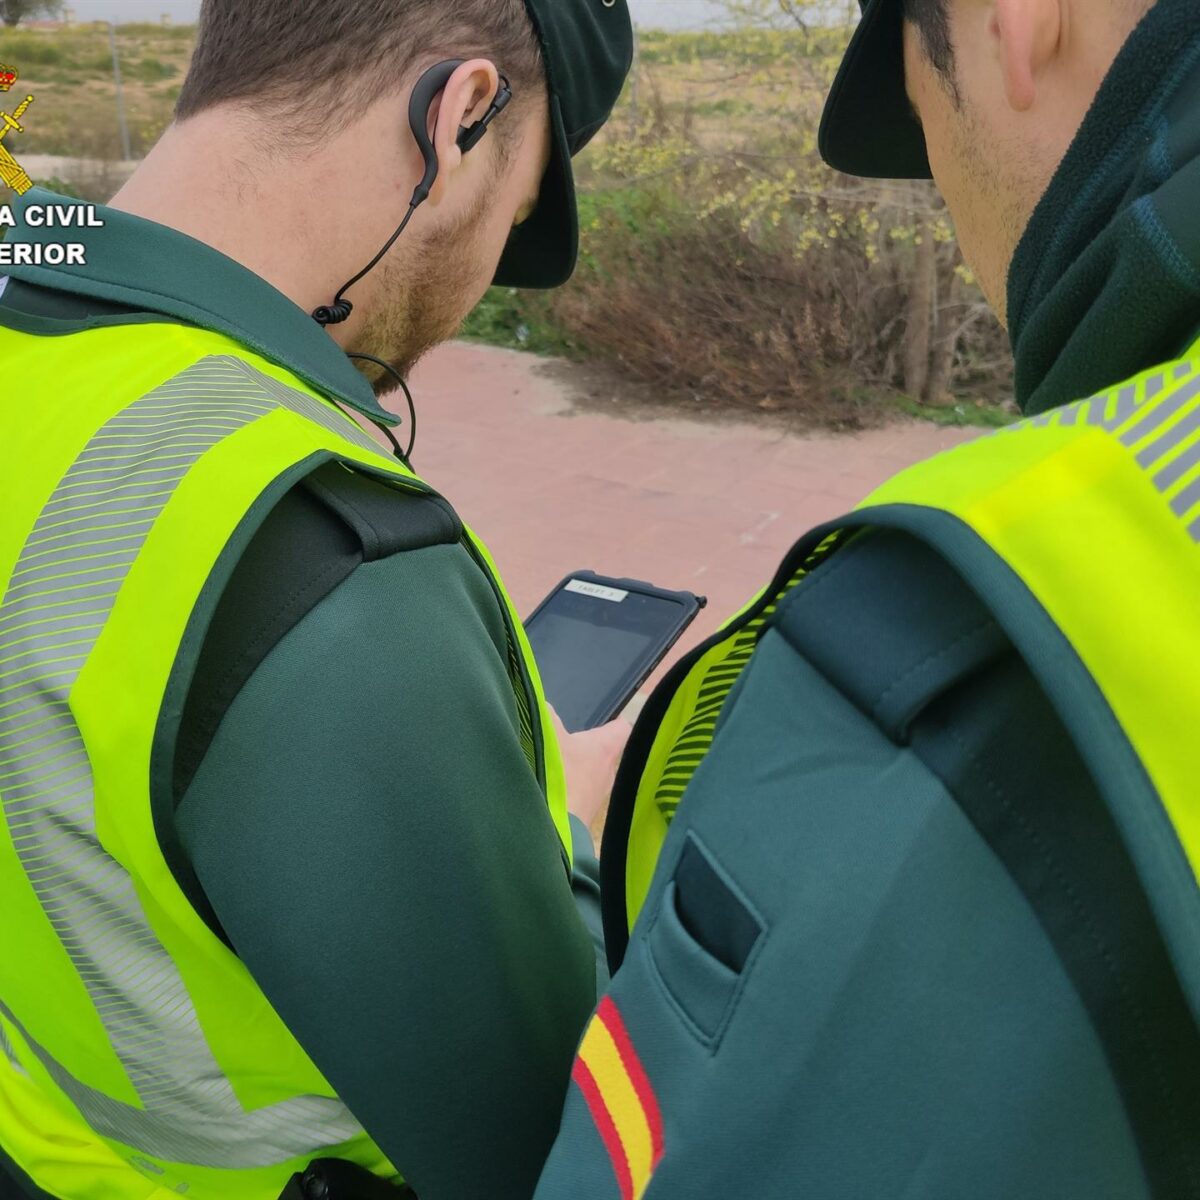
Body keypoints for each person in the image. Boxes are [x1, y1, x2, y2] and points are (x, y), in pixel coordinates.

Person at [535, 1, 1200, 1197]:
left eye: (927, 120)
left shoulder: (951, 645)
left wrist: (580, 847)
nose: (961, 231)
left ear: (1020, 20)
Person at [0, 3, 633, 1199]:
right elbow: (557, 1143)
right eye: (513, 208)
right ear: (457, 117)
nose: (487, 269)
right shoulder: (314, 551)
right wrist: (576, 834)